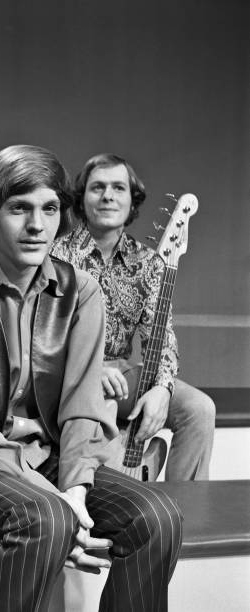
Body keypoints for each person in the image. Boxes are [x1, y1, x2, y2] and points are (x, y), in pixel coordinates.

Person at [0, 145, 183, 611]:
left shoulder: (82, 292)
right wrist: (57, 499)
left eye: (50, 208)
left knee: (157, 517)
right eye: (19, 208)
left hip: (50, 457)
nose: (37, 225)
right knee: (44, 517)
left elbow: (83, 406)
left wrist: (77, 489)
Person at [52, 153, 215, 481]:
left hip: (121, 373)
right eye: (97, 187)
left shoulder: (150, 262)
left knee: (199, 409)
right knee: (101, 408)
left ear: (132, 200)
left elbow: (162, 334)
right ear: (82, 199)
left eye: (118, 188)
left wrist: (163, 390)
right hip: (66, 373)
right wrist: (89, 370)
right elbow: (41, 333)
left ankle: (184, 515)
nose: (108, 195)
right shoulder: (56, 254)